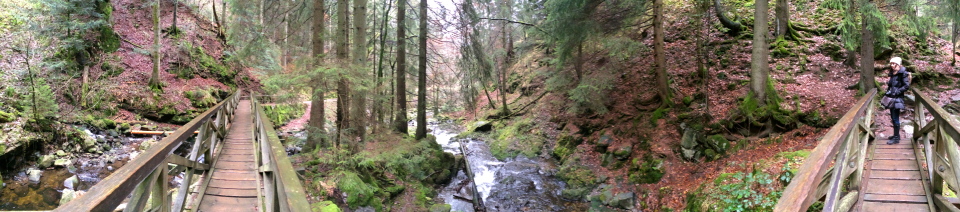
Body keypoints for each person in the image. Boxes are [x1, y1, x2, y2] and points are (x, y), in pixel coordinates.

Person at [885, 57, 910, 145]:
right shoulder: (893, 73)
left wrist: (897, 91)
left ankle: (896, 138)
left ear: (898, 64)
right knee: (892, 117)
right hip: (892, 98)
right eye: (891, 63)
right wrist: (888, 91)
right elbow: (891, 85)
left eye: (893, 63)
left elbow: (906, 86)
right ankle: (896, 135)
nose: (891, 65)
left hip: (898, 98)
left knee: (895, 118)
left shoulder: (902, 73)